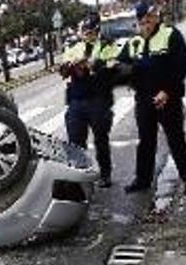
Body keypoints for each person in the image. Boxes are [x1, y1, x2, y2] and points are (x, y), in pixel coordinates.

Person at [117, 1, 186, 195]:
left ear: (156, 18)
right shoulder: (134, 42)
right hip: (143, 99)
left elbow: (184, 65)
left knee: (176, 139)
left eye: (151, 18)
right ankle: (142, 180)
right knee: (146, 141)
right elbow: (121, 65)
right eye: (143, 20)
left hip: (167, 98)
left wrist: (167, 91)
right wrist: (121, 72)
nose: (147, 23)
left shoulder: (170, 34)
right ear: (138, 21)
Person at [59, 13, 120, 188]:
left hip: (98, 99)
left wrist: (93, 64)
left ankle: (105, 174)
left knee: (101, 138)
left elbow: (113, 67)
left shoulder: (107, 44)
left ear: (97, 30)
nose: (86, 34)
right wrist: (69, 67)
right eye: (83, 31)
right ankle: (80, 176)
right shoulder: (73, 46)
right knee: (75, 140)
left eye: (90, 31)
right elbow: (64, 68)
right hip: (76, 99)